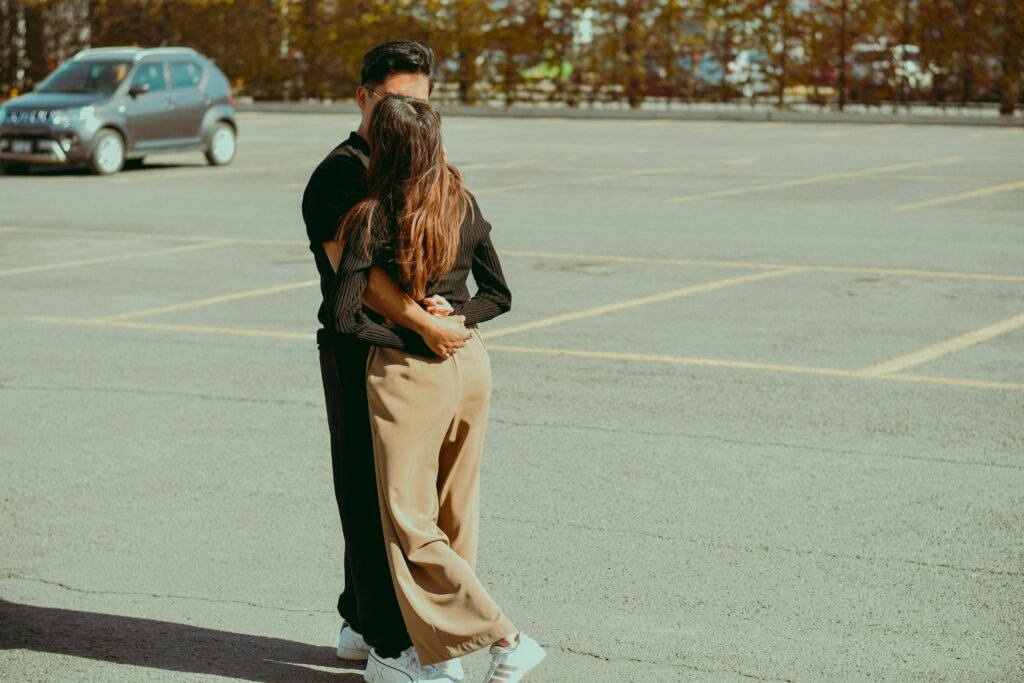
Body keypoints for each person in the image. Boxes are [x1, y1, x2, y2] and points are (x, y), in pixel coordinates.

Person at [328, 94, 546, 683]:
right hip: (471, 365)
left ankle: (507, 638)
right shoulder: (462, 204)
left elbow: (345, 317)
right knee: (455, 517)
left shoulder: (370, 216)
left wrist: (413, 335)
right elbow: (498, 296)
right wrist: (458, 316)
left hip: (409, 377)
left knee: (410, 523)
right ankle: (442, 654)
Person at [301, 40, 471, 683]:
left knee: (401, 497)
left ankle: (357, 618)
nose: (407, 114)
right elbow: (360, 275)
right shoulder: (342, 172)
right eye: (396, 101)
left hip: (409, 355)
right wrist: (426, 322)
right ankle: (388, 646)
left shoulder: (412, 163)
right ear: (364, 98)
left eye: (419, 104)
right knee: (370, 497)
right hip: (356, 347)